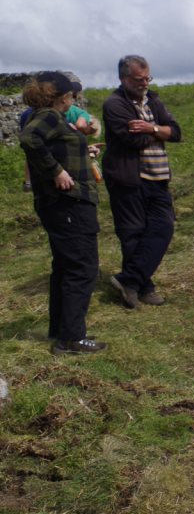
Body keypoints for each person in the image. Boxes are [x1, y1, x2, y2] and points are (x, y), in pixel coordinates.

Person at [18, 72, 106, 355]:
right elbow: (30, 139)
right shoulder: (50, 116)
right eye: (72, 95)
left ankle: (62, 330)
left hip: (62, 202)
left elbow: (47, 144)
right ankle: (71, 339)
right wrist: (57, 171)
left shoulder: (46, 116)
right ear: (63, 96)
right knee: (82, 266)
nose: (73, 99)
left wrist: (79, 152)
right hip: (68, 202)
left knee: (66, 267)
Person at [102, 55, 181, 309]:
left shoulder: (153, 100)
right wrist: (159, 130)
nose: (145, 83)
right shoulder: (114, 104)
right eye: (139, 79)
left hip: (157, 178)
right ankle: (143, 287)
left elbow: (176, 132)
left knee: (163, 227)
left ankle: (129, 280)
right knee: (132, 233)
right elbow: (132, 140)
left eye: (148, 78)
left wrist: (151, 129)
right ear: (123, 78)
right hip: (127, 178)